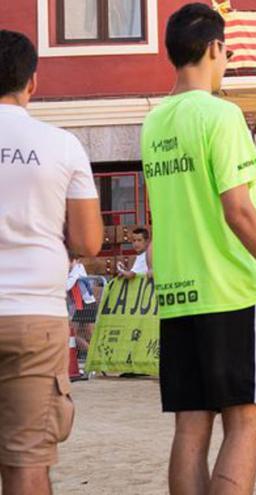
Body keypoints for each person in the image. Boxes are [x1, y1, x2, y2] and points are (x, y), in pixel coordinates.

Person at [140, 5, 256, 494]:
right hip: (233, 290)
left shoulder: (154, 122)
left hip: (180, 294)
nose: (226, 61)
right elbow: (237, 213)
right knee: (245, 420)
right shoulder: (220, 113)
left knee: (190, 426)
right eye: (226, 52)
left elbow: (192, 192)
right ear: (214, 48)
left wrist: (254, 185)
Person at [0, 29, 103, 495]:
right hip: (33, 314)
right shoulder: (61, 145)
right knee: (27, 463)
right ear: (32, 82)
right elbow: (88, 240)